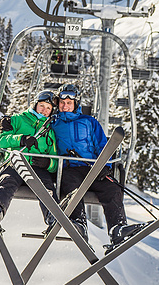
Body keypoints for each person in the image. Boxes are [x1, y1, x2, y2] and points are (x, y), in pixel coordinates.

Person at [51, 83, 144, 247]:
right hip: (69, 168)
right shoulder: (53, 123)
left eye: (69, 103)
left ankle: (118, 229)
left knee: (111, 187)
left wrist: (104, 165)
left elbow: (101, 145)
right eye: (62, 103)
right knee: (72, 188)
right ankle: (79, 224)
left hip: (92, 167)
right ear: (58, 104)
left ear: (75, 104)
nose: (65, 106)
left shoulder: (89, 122)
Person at [0, 90, 59, 229]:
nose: (44, 110)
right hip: (17, 162)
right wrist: (21, 139)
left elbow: (55, 163)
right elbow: (1, 141)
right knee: (8, 180)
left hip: (37, 168)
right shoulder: (18, 119)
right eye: (42, 106)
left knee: (47, 186)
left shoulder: (49, 131)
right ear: (35, 104)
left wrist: (48, 163)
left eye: (48, 108)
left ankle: (52, 215)